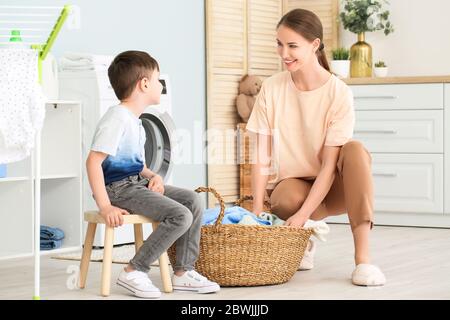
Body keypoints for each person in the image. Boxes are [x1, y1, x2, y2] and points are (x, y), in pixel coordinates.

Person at [246, 9, 386, 286]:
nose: (283, 53)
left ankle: (363, 261)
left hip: (334, 185)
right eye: (279, 44)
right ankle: (305, 239)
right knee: (283, 199)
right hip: (295, 184)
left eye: (292, 45)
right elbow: (261, 157)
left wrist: (301, 215)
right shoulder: (272, 88)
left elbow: (328, 167)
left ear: (315, 45)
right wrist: (258, 209)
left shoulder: (338, 92)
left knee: (355, 150)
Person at [86, 50, 220, 298]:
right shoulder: (117, 118)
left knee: (193, 200)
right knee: (180, 215)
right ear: (144, 84)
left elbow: (136, 164)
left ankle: (183, 272)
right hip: (119, 189)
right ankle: (133, 270)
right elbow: (93, 162)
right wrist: (105, 206)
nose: (160, 85)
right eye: (158, 80)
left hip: (136, 183)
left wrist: (153, 175)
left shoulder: (134, 120)